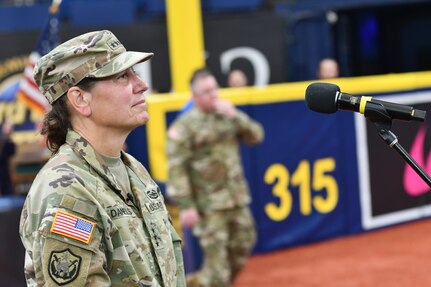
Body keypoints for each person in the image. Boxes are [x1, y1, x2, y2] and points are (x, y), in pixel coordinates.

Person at [19, 30, 186, 287]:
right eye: (122, 76)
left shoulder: (134, 170)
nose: (142, 85)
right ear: (80, 99)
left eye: (134, 73)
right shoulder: (68, 191)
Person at [166, 68, 264, 287]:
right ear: (195, 96)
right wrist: (187, 205)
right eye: (206, 91)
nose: (213, 95)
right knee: (218, 271)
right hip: (209, 205)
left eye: (214, 89)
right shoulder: (185, 126)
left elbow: (256, 136)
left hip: (237, 197)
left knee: (243, 246)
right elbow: (176, 168)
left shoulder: (227, 115)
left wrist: (235, 115)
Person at [0, 120, 16, 195]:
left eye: (11, 128)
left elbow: (11, 154)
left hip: (5, 170)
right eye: (8, 128)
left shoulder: (10, 143)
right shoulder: (3, 141)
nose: (10, 130)